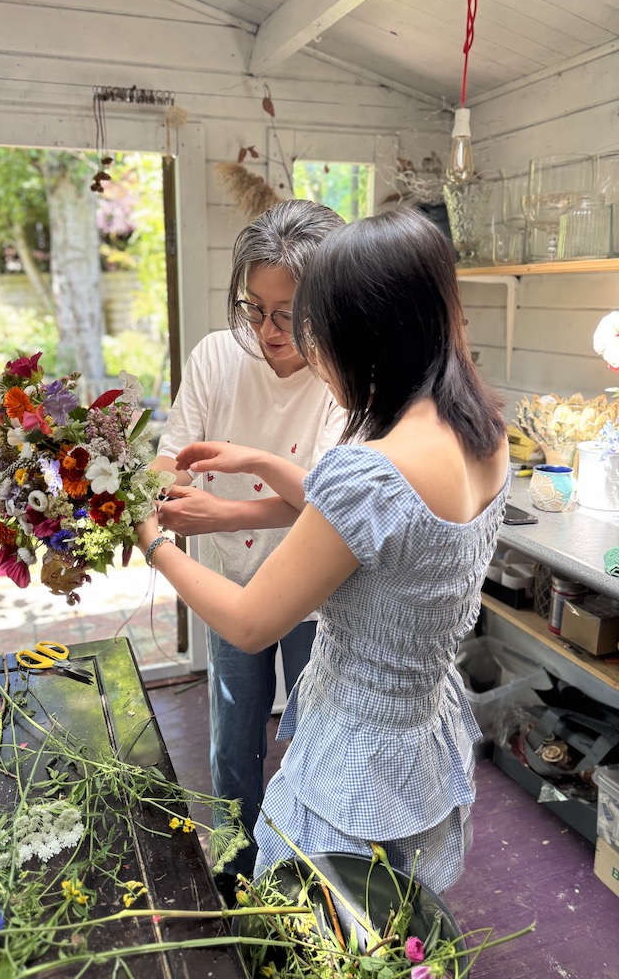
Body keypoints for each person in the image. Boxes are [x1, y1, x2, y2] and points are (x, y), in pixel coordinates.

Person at [139, 207, 510, 894]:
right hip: (423, 731)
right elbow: (389, 526)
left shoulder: (370, 470)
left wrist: (154, 540)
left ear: (366, 336)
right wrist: (266, 462)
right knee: (391, 914)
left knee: (327, 925)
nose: (305, 349)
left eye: (314, 332)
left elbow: (251, 622)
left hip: (354, 758)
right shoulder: (483, 429)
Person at [150, 199, 347, 892]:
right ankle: (235, 874)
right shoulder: (216, 355)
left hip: (315, 587)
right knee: (234, 736)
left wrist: (220, 515)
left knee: (315, 739)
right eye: (254, 308)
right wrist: (149, 495)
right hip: (230, 579)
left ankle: (304, 877)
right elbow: (172, 456)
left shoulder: (344, 377)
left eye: (289, 313)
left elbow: (327, 500)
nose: (268, 330)